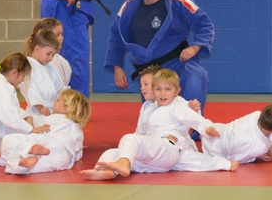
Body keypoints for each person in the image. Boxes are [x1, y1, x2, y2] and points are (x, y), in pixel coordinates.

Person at [81, 68, 235, 180]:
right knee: (116, 150)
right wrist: (225, 164)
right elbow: (192, 161)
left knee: (129, 139)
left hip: (167, 147)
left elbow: (194, 119)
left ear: (177, 92)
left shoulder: (177, 105)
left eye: (167, 89)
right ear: (154, 91)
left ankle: (123, 164)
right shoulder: (149, 108)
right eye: (158, 89)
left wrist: (207, 127)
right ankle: (105, 171)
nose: (162, 93)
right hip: (153, 160)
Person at [105, 0, 215, 111]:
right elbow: (116, 35)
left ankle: (191, 123)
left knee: (197, 77)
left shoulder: (178, 2)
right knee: (155, 116)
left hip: (178, 62)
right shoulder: (129, 6)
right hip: (149, 70)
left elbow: (205, 24)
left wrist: (195, 47)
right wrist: (118, 67)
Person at [0, 89, 90, 175]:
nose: (55, 102)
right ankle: (25, 161)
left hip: (53, 142)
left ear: (65, 109)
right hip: (64, 158)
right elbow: (78, 151)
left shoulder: (55, 118)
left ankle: (29, 151)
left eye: (58, 100)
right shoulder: (78, 130)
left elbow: (43, 134)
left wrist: (37, 130)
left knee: (8, 139)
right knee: (23, 166)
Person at [200, 103, 272, 165]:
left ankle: (203, 134)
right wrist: (256, 157)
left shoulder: (258, 115)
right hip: (214, 148)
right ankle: (203, 136)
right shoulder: (256, 146)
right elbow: (233, 159)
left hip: (221, 129)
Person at [18, 28, 66, 127]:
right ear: (37, 49)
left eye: (53, 55)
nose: (51, 58)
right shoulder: (29, 66)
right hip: (37, 112)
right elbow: (30, 88)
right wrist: (39, 107)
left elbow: (57, 86)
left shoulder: (47, 66)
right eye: (48, 54)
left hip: (51, 110)